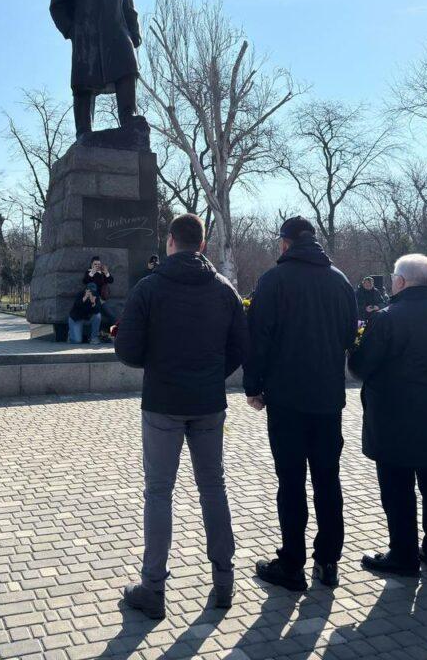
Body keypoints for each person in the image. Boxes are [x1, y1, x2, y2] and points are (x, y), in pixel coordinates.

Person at [113, 213, 248, 618]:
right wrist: (210, 375)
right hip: (208, 403)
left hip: (162, 403)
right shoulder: (224, 289)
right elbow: (240, 347)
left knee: (158, 491)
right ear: (203, 245)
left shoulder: (149, 288)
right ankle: (224, 582)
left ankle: (153, 588)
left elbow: (129, 351)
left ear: (170, 241)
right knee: (214, 488)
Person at [244, 216, 358, 591]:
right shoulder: (339, 281)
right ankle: (328, 561)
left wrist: (253, 386)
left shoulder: (273, 280)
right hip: (327, 397)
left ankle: (291, 563)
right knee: (328, 479)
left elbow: (258, 338)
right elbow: (347, 335)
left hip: (287, 397)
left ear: (285, 243)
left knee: (290, 481)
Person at [349, 254, 427, 576]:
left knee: (398, 488)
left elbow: (360, 367)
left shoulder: (386, 319)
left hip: (392, 415)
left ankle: (403, 554)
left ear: (400, 281)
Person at [50, 0, 141, 138]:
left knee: (128, 71)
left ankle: (129, 118)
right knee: (83, 84)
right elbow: (58, 5)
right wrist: (72, 29)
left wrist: (134, 33)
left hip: (119, 36)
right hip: (86, 37)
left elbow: (129, 8)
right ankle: (84, 130)